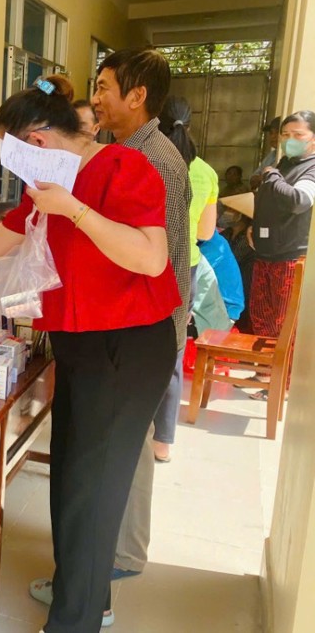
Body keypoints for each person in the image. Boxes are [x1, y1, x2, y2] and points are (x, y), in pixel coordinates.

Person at [0, 75, 180, 633]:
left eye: (13, 156)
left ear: (38, 142)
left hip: (126, 346)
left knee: (95, 490)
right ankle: (84, 593)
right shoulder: (49, 185)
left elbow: (150, 258)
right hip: (80, 347)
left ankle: (76, 620)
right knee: (72, 477)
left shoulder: (124, 168)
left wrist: (73, 210)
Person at [90, 46, 191, 596]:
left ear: (138, 95)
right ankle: (114, 547)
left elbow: (157, 256)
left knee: (126, 441)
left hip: (146, 324)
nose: (96, 99)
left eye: (104, 87)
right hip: (128, 320)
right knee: (121, 438)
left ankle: (121, 553)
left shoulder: (156, 160)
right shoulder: (121, 148)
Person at [154, 95, 217, 461]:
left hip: (143, 263)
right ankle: (163, 441)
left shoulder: (148, 159)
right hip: (184, 268)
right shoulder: (205, 172)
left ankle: (132, 429)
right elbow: (206, 232)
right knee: (173, 348)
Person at [248, 111, 315, 399]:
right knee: (262, 315)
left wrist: (272, 175)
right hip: (266, 251)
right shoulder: (284, 164)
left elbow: (299, 201)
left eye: (298, 135)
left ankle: (282, 383)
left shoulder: (310, 168)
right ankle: (265, 373)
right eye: (285, 135)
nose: (289, 140)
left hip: (290, 256)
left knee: (284, 321)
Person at [217, 205, 254, 330]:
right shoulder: (225, 234)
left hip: (244, 294)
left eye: (231, 209)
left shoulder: (249, 238)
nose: (226, 212)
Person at [251, 117, 282, 190]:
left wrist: (263, 177)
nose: (273, 136)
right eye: (271, 133)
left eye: (277, 132)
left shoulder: (288, 156)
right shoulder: (271, 155)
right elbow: (253, 179)